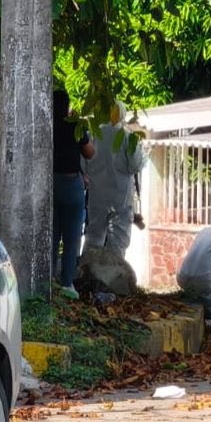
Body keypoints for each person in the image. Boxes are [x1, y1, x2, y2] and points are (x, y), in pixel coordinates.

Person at [84, 101, 145, 258]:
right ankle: (113, 278)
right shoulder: (127, 137)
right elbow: (136, 165)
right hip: (121, 197)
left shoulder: (93, 135)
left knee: (93, 238)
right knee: (118, 242)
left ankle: (89, 274)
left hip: (96, 196)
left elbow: (84, 165)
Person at [53, 89, 94, 299]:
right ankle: (67, 283)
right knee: (71, 237)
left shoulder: (47, 125)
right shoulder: (75, 126)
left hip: (51, 185)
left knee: (52, 235)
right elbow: (89, 152)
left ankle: (48, 280)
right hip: (71, 185)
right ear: (67, 106)